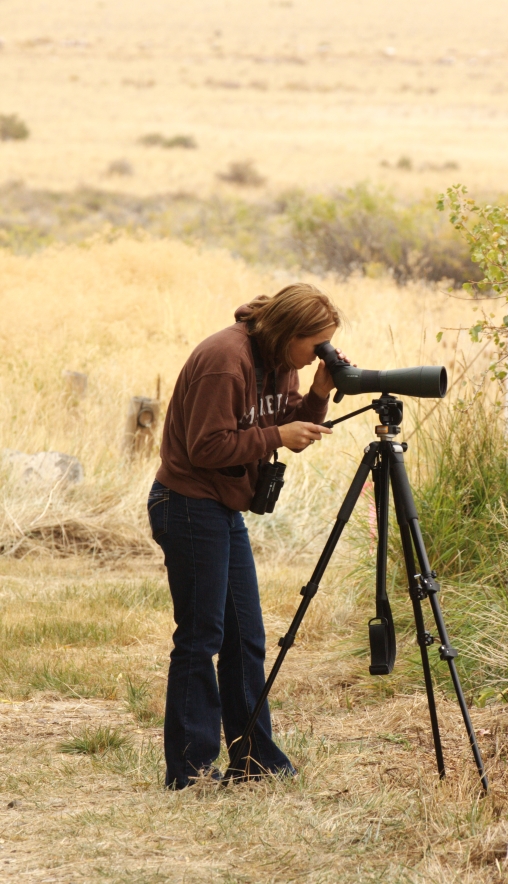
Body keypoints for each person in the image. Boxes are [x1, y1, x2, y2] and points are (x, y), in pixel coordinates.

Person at [148, 283, 348, 789]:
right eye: (315, 345)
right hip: (190, 503)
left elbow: (283, 429)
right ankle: (190, 770)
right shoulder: (225, 359)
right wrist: (276, 437)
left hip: (222, 506)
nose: (315, 356)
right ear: (288, 333)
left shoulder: (280, 362)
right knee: (201, 638)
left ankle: (254, 760)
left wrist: (318, 393)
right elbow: (207, 445)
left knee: (246, 637)